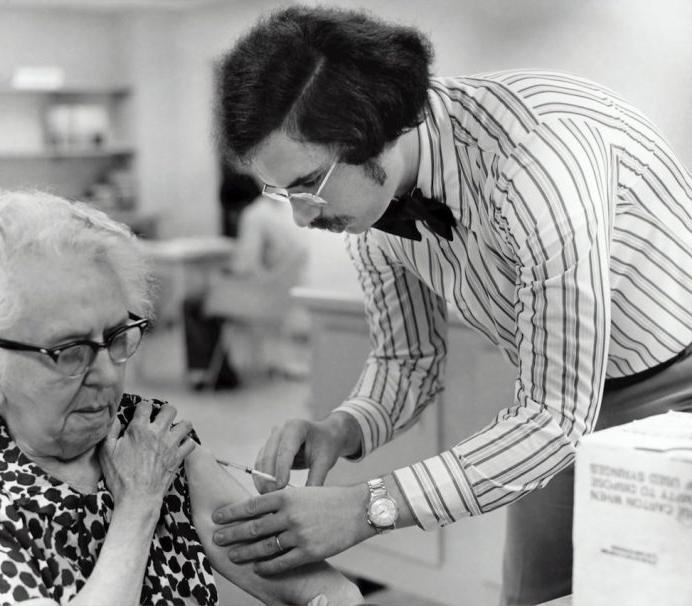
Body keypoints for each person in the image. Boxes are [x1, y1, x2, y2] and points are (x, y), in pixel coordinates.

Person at [208, 5, 692, 605]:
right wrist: (343, 425)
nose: (301, 218)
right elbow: (408, 359)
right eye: (280, 191)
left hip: (678, 386)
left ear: (379, 129)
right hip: (558, 400)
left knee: (653, 592)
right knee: (533, 596)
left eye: (308, 184)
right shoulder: (372, 207)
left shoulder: (538, 164)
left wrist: (369, 507)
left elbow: (552, 420)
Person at [0, 190, 363, 606]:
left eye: (116, 336)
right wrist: (138, 503)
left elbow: (304, 579)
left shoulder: (144, 430)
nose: (105, 374)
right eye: (68, 351)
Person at [183, 173, 308, 388]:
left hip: (259, 298)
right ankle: (217, 370)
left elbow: (245, 266)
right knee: (207, 299)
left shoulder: (252, 216)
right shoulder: (274, 209)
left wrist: (223, 270)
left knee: (193, 303)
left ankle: (207, 374)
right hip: (280, 296)